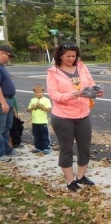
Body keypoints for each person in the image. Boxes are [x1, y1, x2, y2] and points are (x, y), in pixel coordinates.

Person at [46, 42, 104, 192]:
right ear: (60, 55)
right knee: (66, 149)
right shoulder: (53, 72)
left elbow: (90, 83)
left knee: (84, 148)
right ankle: (70, 181)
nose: (71, 59)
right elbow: (54, 94)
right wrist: (71, 95)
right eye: (68, 56)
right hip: (63, 116)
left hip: (83, 114)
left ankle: (81, 176)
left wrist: (96, 90)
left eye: (74, 56)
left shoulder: (81, 67)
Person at [0, 44, 22, 162]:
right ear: (2, 53)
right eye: (9, 56)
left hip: (8, 99)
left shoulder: (2, 66)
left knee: (7, 126)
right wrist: (3, 103)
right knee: (1, 128)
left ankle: (7, 149)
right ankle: (1, 152)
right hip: (3, 101)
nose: (10, 59)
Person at [27, 83, 52, 154]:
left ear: (43, 92)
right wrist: (32, 107)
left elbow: (49, 109)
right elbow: (28, 109)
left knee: (45, 135)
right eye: (36, 92)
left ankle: (46, 147)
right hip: (35, 122)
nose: (38, 94)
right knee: (36, 136)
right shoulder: (33, 100)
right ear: (34, 92)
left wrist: (42, 107)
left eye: (40, 92)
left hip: (43, 121)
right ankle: (38, 147)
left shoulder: (46, 100)